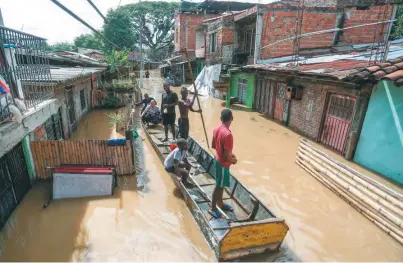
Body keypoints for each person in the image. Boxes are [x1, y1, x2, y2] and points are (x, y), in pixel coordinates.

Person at [210, 109, 237, 218]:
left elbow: (213, 145)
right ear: (232, 119)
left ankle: (220, 203)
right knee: (218, 186)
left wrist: (229, 154)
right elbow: (226, 156)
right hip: (222, 164)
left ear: (221, 119)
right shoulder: (228, 135)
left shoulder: (216, 129)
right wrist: (233, 160)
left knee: (220, 185)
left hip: (218, 160)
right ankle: (213, 208)